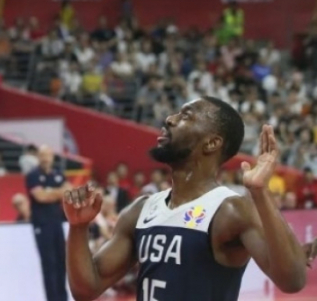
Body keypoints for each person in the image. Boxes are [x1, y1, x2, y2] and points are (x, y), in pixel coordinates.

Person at [64, 97, 310, 301]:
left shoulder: (231, 210)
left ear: (211, 143)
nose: (170, 119)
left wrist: (260, 192)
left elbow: (292, 280)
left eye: (186, 116)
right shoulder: (141, 210)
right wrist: (78, 227)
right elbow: (86, 289)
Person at [26, 145, 70, 301]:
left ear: (52, 157)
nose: (45, 159)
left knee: (61, 261)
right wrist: (58, 192)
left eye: (48, 155)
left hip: (57, 222)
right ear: (38, 157)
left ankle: (63, 297)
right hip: (42, 224)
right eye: (42, 155)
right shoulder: (33, 175)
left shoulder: (58, 174)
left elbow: (68, 192)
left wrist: (50, 192)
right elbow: (41, 197)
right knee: (49, 262)